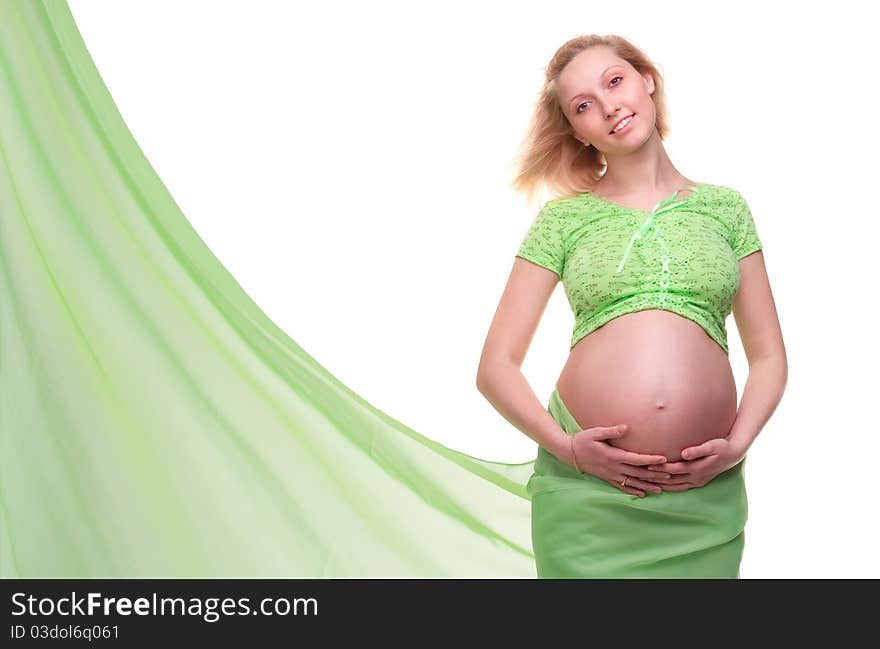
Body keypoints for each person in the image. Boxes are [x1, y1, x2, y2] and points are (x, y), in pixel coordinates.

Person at [476, 34, 788, 578]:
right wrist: (567, 448)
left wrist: (738, 445)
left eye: (614, 81)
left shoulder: (725, 209)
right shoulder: (563, 221)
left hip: (703, 506)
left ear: (647, 79)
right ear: (577, 131)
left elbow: (768, 357)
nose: (609, 106)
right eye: (583, 106)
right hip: (588, 505)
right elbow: (495, 367)